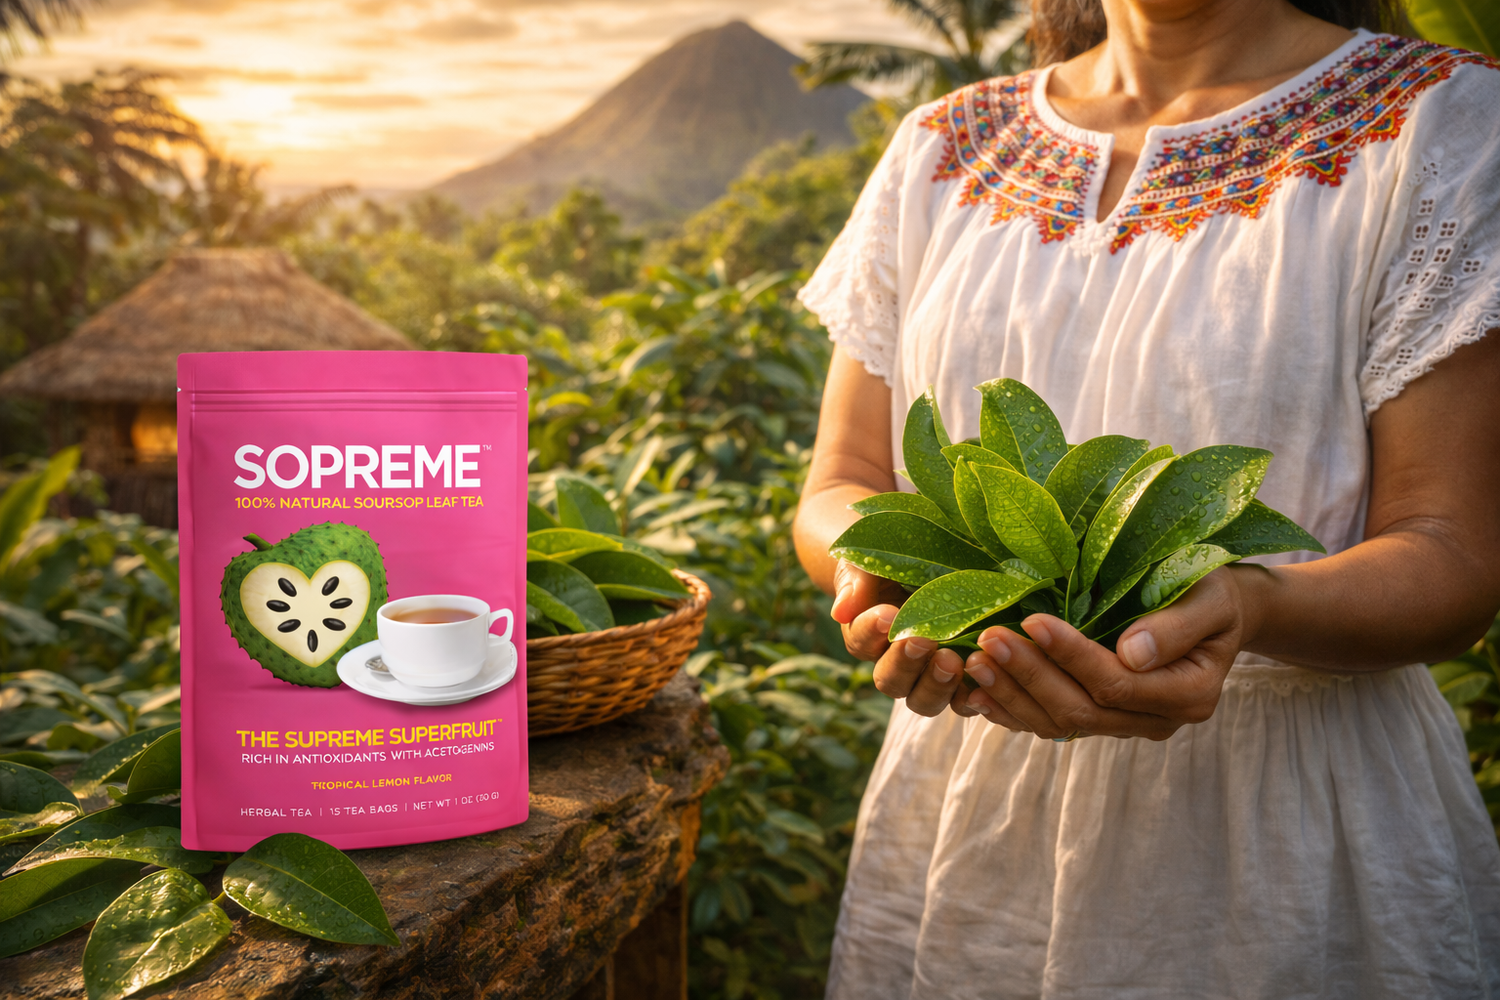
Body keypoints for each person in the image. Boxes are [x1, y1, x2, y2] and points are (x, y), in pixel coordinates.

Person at [791, 0, 1500, 993]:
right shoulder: (942, 148)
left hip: (1291, 839)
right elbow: (843, 482)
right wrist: (885, 570)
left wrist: (1254, 601)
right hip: (967, 813)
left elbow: (1451, 555)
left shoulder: (1441, 122)